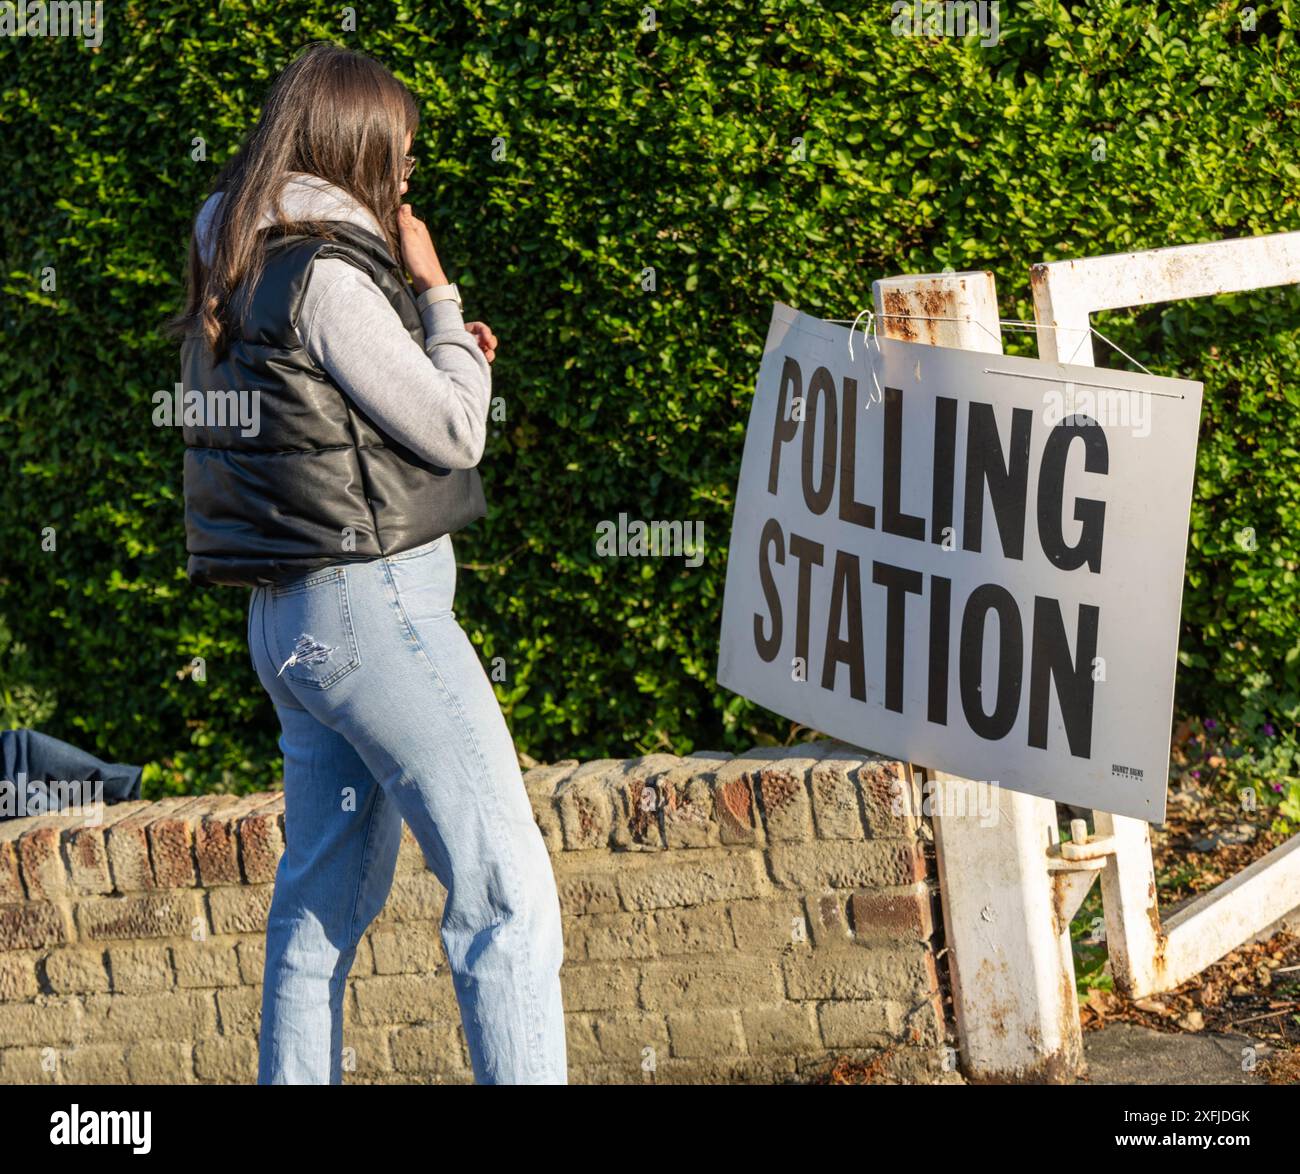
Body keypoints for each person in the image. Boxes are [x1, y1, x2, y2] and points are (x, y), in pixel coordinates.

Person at [171, 42, 567, 1085]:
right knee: (503, 886)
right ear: (354, 152)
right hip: (374, 617)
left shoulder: (238, 256)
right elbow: (452, 429)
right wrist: (437, 297)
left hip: (288, 625)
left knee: (319, 910)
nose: (405, 178)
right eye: (397, 156)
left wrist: (442, 347)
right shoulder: (330, 272)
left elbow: (339, 421)